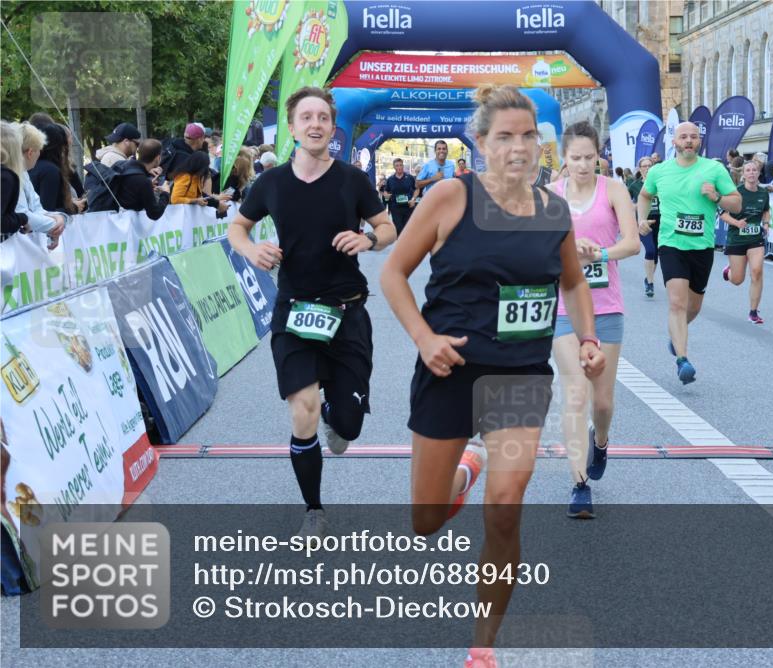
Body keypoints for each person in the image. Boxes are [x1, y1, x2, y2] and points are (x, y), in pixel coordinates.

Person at [380, 84, 604, 666]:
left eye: (528, 136)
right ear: (480, 143)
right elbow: (393, 274)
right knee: (426, 520)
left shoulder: (553, 211)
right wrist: (424, 338)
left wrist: (587, 338)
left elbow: (573, 282)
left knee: (505, 507)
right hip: (450, 368)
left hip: (519, 374)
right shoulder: (450, 197)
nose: (518, 147)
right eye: (505, 136)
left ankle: (483, 648)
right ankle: (465, 470)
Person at [227, 85, 396, 538]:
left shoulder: (352, 180)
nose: (316, 124)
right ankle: (314, 510)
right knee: (302, 408)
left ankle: (336, 415)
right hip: (294, 311)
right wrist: (251, 250)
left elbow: (387, 227)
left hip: (347, 311)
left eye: (323, 117)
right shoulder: (271, 183)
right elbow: (238, 228)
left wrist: (368, 239)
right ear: (292, 127)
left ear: (332, 126)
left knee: (347, 428)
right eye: (307, 117)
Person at [546, 121, 639, 518]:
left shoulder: (613, 190)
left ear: (599, 156)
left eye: (590, 157)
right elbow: (537, 248)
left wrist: (598, 253)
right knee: (576, 394)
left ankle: (600, 441)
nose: (583, 165)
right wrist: (569, 254)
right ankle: (579, 483)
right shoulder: (550, 195)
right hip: (565, 307)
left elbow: (632, 243)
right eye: (575, 158)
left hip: (606, 306)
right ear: (564, 159)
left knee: (601, 402)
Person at [638, 122, 741, 384]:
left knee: (693, 307)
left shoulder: (714, 169)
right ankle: (682, 360)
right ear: (674, 142)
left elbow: (737, 204)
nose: (688, 140)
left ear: (699, 141)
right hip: (671, 244)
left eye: (693, 136)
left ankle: (677, 333)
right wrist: (641, 219)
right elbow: (645, 195)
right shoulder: (659, 171)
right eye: (683, 136)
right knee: (677, 302)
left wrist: (717, 197)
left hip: (702, 246)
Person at [720, 160, 770, 323]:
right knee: (737, 280)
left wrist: (766, 224)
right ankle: (728, 272)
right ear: (743, 174)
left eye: (754, 170)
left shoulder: (763, 193)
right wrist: (737, 223)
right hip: (736, 239)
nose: (751, 173)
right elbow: (723, 214)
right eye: (748, 170)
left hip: (755, 239)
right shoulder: (736, 193)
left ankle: (753, 312)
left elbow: (766, 210)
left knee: (757, 272)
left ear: (758, 173)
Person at [8, 122, 65, 245]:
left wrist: (59, 218)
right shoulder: (9, 177)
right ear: (30, 153)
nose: (39, 154)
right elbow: (23, 214)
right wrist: (56, 224)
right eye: (39, 150)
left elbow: (36, 208)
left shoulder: (22, 172)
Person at [114, 139, 171, 220]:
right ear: (158, 158)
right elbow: (154, 214)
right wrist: (165, 193)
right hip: (127, 224)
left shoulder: (122, 165)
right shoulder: (143, 181)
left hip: (110, 220)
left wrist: (148, 186)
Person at [28, 124, 78, 214]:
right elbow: (47, 212)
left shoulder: (35, 167)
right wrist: (73, 207)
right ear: (61, 147)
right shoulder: (50, 171)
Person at [631, 157, 661, 298]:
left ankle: (648, 278)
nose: (648, 168)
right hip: (644, 222)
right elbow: (626, 204)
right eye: (645, 166)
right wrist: (636, 206)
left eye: (650, 165)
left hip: (660, 221)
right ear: (640, 169)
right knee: (650, 250)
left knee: (656, 254)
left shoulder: (660, 183)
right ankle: (650, 283)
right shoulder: (635, 185)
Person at [381, 157, 417, 235]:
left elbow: (416, 190)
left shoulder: (410, 177)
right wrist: (386, 195)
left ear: (403, 166)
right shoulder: (390, 179)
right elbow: (386, 191)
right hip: (395, 208)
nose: (399, 167)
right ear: (394, 167)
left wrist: (413, 199)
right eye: (397, 165)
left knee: (407, 228)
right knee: (398, 228)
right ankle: (400, 241)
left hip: (408, 207)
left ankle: (405, 242)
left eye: (401, 165)